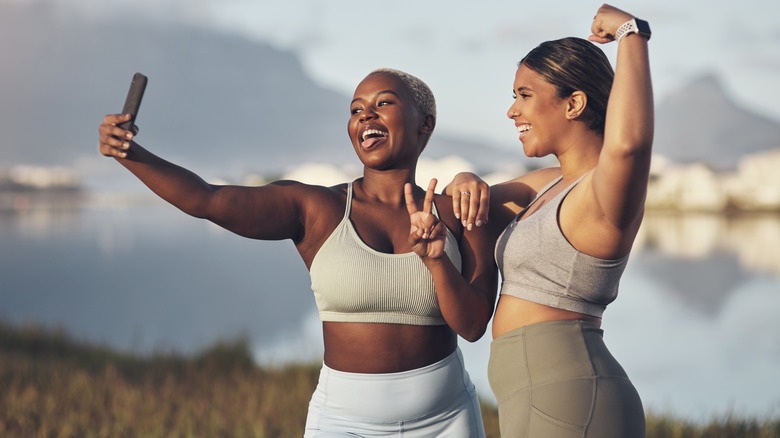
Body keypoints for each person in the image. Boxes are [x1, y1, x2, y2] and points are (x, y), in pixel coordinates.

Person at [98, 68, 497, 437]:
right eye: (356, 109)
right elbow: (207, 199)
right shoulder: (317, 209)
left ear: (425, 123)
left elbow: (474, 326)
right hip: (343, 425)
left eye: (383, 103)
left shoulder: (460, 212)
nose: (366, 116)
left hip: (446, 421)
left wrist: (437, 261)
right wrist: (130, 153)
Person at [446, 4, 651, 437]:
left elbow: (629, 144)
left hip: (573, 401)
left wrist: (631, 34)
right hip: (539, 397)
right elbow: (462, 207)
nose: (511, 111)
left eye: (524, 95)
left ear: (574, 103)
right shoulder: (548, 184)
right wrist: (464, 178)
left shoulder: (604, 194)